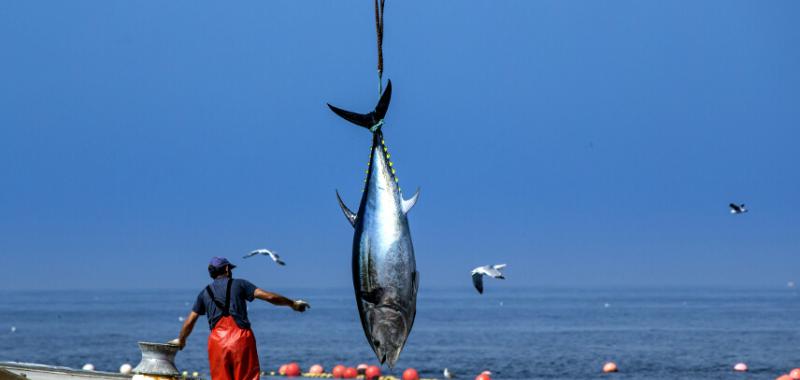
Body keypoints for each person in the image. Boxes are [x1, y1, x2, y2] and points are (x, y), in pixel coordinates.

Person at [173, 257, 309, 380]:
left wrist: (181, 340)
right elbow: (270, 297)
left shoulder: (204, 293)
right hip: (241, 340)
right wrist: (293, 304)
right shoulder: (240, 284)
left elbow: (190, 321)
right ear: (226, 269)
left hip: (217, 343)